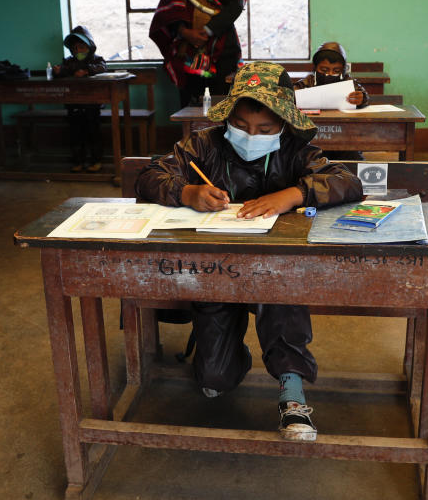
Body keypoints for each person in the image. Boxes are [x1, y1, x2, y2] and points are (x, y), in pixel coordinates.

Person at [136, 61, 363, 442]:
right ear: (228, 118)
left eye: (265, 129)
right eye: (240, 126)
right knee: (214, 378)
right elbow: (150, 176)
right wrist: (186, 192)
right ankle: (231, 353)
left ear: (283, 126)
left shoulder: (294, 150)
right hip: (213, 268)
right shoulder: (202, 145)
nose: (250, 135)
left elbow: (346, 181)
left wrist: (292, 194)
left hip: (277, 268)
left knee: (282, 299)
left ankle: (292, 390)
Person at [292, 41, 369, 159]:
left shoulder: (348, 82)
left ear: (342, 70)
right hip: (314, 136)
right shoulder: (307, 82)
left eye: (336, 71)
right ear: (315, 68)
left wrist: (361, 98)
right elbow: (291, 95)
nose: (329, 74)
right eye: (324, 69)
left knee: (354, 157)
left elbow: (364, 96)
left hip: (344, 136)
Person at [53, 26, 107, 172]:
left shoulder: (97, 60)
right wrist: (58, 71)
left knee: (93, 133)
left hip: (92, 105)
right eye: (75, 48)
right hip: (73, 104)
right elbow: (62, 72)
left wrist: (87, 71)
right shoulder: (69, 62)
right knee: (75, 134)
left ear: (90, 46)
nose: (78, 51)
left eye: (82, 47)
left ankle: (96, 160)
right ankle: (78, 161)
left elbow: (102, 68)